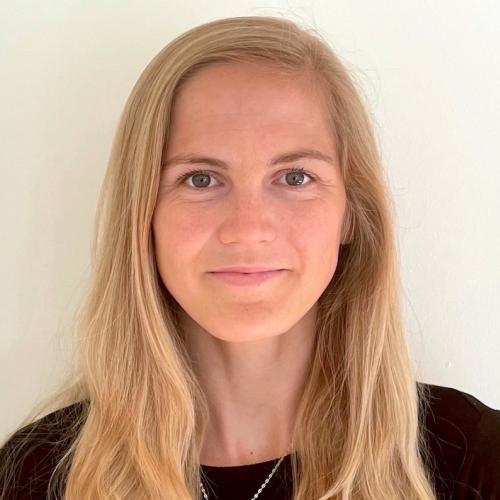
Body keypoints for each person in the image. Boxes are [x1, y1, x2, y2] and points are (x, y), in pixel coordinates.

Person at [1, 15, 499, 500]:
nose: (248, 229)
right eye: (200, 179)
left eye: (295, 177)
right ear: (143, 217)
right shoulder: (33, 477)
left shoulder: (474, 458)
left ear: (352, 213)